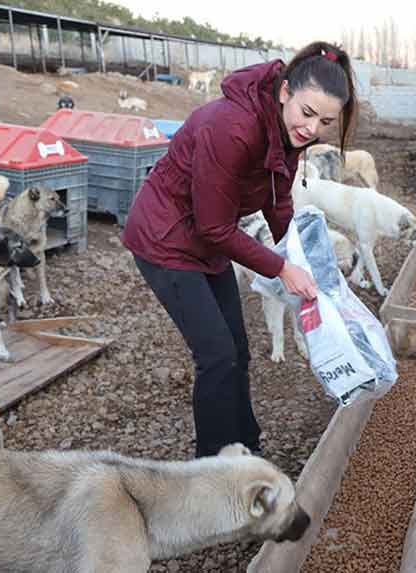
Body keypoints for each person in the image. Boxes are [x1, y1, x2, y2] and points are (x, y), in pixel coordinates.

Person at [121, 41, 358, 458]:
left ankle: (244, 444)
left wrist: (302, 258)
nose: (311, 128)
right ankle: (212, 470)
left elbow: (277, 200)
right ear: (284, 90)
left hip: (208, 239)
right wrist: (283, 270)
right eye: (306, 113)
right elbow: (215, 225)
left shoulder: (287, 131)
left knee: (238, 350)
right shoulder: (232, 128)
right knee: (215, 355)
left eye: (324, 121)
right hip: (166, 239)